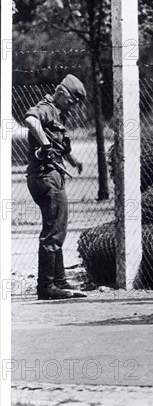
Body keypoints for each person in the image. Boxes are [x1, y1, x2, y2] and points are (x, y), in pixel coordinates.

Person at [22, 74, 87, 300]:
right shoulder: (47, 108)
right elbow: (30, 120)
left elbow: (62, 147)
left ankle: (59, 282)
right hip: (46, 177)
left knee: (57, 227)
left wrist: (73, 161)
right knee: (53, 232)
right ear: (60, 93)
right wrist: (46, 144)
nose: (73, 107)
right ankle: (47, 287)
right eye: (71, 101)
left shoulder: (59, 112)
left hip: (50, 175)